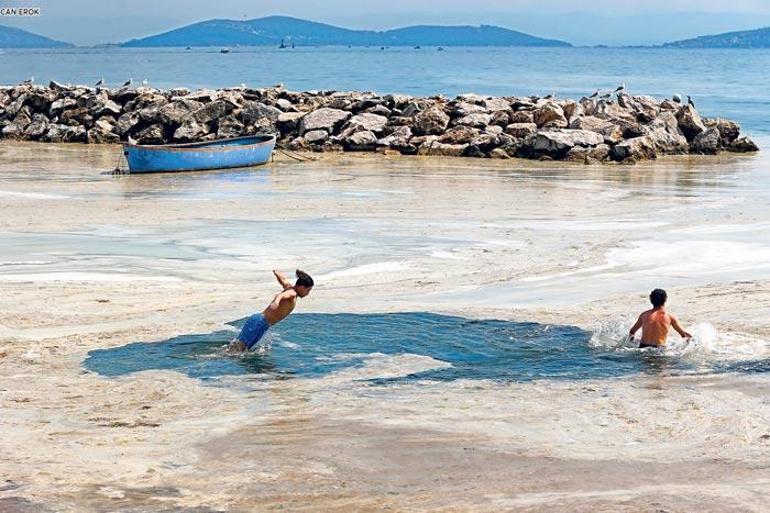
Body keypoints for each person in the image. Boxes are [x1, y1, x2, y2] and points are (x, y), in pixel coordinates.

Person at [229, 269, 314, 352]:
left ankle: (220, 355)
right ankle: (217, 357)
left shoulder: (289, 288)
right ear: (302, 287)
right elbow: (282, 295)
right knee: (238, 350)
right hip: (260, 323)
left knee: (239, 349)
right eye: (308, 290)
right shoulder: (292, 293)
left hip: (259, 321)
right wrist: (276, 302)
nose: (307, 293)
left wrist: (276, 273)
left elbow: (283, 280)